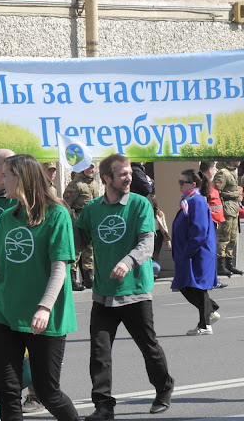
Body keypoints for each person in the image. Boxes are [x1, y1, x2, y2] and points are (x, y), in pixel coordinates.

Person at [0, 154, 79, 421]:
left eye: (6, 175)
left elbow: (60, 269)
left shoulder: (57, 215)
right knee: (7, 391)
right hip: (5, 315)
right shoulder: (6, 218)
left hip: (44, 318)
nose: (1, 181)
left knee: (47, 392)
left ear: (22, 178)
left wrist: (44, 307)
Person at [76, 154, 174, 420]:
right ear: (107, 178)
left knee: (148, 347)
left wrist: (127, 262)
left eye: (129, 172)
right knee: (99, 353)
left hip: (135, 292)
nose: (129, 177)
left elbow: (146, 244)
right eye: (122, 174)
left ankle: (164, 387)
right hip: (103, 294)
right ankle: (104, 406)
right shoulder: (92, 209)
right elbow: (79, 241)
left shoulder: (140, 204)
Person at [171, 169, 220, 336]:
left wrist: (187, 251)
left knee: (195, 286)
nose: (179, 185)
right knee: (187, 285)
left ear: (193, 184)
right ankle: (209, 312)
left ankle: (205, 323)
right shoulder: (188, 200)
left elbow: (199, 230)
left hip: (197, 252)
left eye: (182, 182)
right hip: (190, 252)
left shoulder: (196, 201)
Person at [63, 163, 99, 291]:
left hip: (91, 220)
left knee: (89, 250)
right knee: (76, 249)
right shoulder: (75, 184)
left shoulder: (95, 184)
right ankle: (72, 279)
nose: (90, 170)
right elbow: (66, 204)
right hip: (78, 219)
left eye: (92, 167)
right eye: (88, 167)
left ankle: (89, 278)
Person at [199, 161, 228, 288]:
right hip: (208, 223)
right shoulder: (203, 185)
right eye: (214, 168)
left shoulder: (209, 184)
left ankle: (212, 280)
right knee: (208, 253)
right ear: (209, 170)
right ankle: (209, 280)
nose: (216, 170)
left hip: (213, 222)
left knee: (211, 253)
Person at [213, 160, 243, 277]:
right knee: (224, 236)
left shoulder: (233, 171)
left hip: (234, 206)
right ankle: (220, 265)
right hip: (227, 206)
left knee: (233, 237)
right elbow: (216, 191)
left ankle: (229, 263)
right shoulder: (223, 173)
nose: (239, 160)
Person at [149, 194, 170, 278]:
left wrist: (168, 242)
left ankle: (154, 273)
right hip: (149, 234)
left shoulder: (159, 213)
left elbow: (164, 227)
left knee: (155, 254)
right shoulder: (145, 212)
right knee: (149, 254)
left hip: (158, 235)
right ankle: (149, 272)